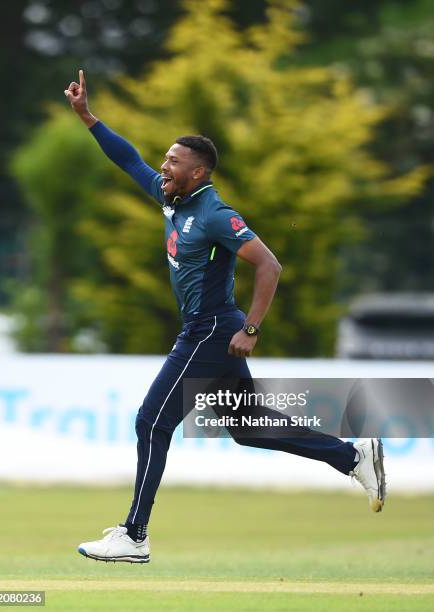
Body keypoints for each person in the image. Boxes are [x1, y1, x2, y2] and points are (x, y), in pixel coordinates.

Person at [64, 70, 386, 564]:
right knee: (249, 428)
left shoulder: (215, 212)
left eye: (173, 162)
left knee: (152, 422)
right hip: (207, 331)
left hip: (212, 331)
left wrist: (250, 329)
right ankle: (352, 456)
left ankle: (134, 535)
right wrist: (88, 117)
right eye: (166, 160)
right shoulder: (172, 199)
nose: (163, 166)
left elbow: (269, 265)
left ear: (198, 173)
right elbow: (128, 159)